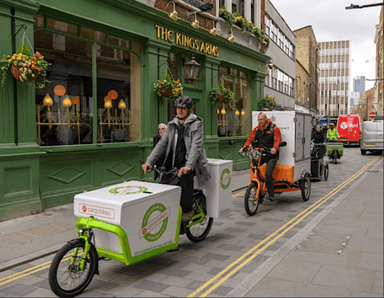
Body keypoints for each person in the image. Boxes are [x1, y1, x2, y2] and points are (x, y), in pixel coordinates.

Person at [142, 96, 210, 221]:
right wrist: (149, 161)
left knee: (185, 177)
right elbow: (162, 144)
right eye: (178, 108)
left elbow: (196, 147)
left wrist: (188, 165)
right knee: (164, 184)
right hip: (174, 162)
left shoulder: (197, 124)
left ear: (189, 110)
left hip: (190, 163)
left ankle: (188, 210)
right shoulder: (172, 125)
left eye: (183, 108)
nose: (180, 111)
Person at [239, 112, 282, 202]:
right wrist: (244, 147)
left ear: (266, 119)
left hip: (271, 156)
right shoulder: (257, 129)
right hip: (260, 154)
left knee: (268, 173)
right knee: (255, 168)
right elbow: (250, 138)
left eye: (262, 119)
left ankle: (271, 194)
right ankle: (259, 188)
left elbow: (278, 140)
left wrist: (275, 148)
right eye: (259, 120)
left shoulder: (274, 128)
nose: (260, 121)